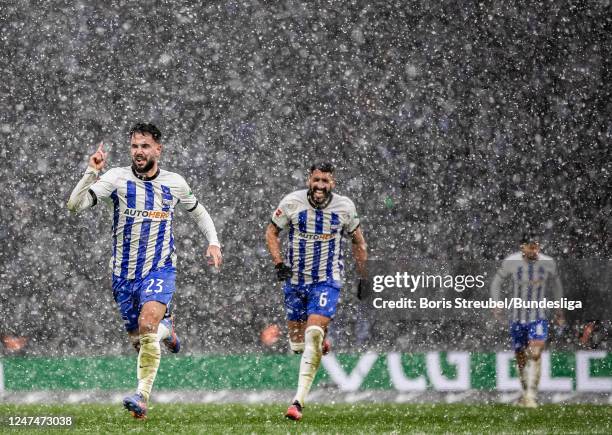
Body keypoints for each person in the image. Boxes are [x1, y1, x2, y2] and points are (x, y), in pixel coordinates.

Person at [67, 123, 222, 419]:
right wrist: (91, 171)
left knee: (148, 326)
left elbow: (198, 211)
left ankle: (141, 396)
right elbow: (74, 206)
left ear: (158, 149)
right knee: (141, 343)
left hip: (159, 269)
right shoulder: (115, 178)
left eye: (145, 146)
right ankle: (168, 330)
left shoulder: (174, 182)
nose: (139, 152)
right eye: (135, 146)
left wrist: (213, 242)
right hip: (123, 275)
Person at [265, 162, 368, 421]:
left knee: (312, 334)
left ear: (333, 183)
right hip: (296, 282)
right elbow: (271, 232)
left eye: (326, 181)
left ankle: (297, 401)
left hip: (326, 280)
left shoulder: (345, 207)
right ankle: (318, 340)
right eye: (316, 180)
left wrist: (364, 277)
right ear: (309, 180)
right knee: (298, 344)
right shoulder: (291, 203)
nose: (320, 185)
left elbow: (359, 242)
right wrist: (279, 263)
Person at [490, 233, 564, 408]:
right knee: (521, 356)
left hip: (538, 317)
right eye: (531, 246)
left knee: (536, 352)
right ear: (522, 247)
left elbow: (557, 284)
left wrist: (559, 308)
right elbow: (496, 282)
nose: (534, 249)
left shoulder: (548, 263)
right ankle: (525, 393)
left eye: (536, 246)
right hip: (517, 317)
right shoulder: (512, 262)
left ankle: (531, 395)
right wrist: (496, 303)